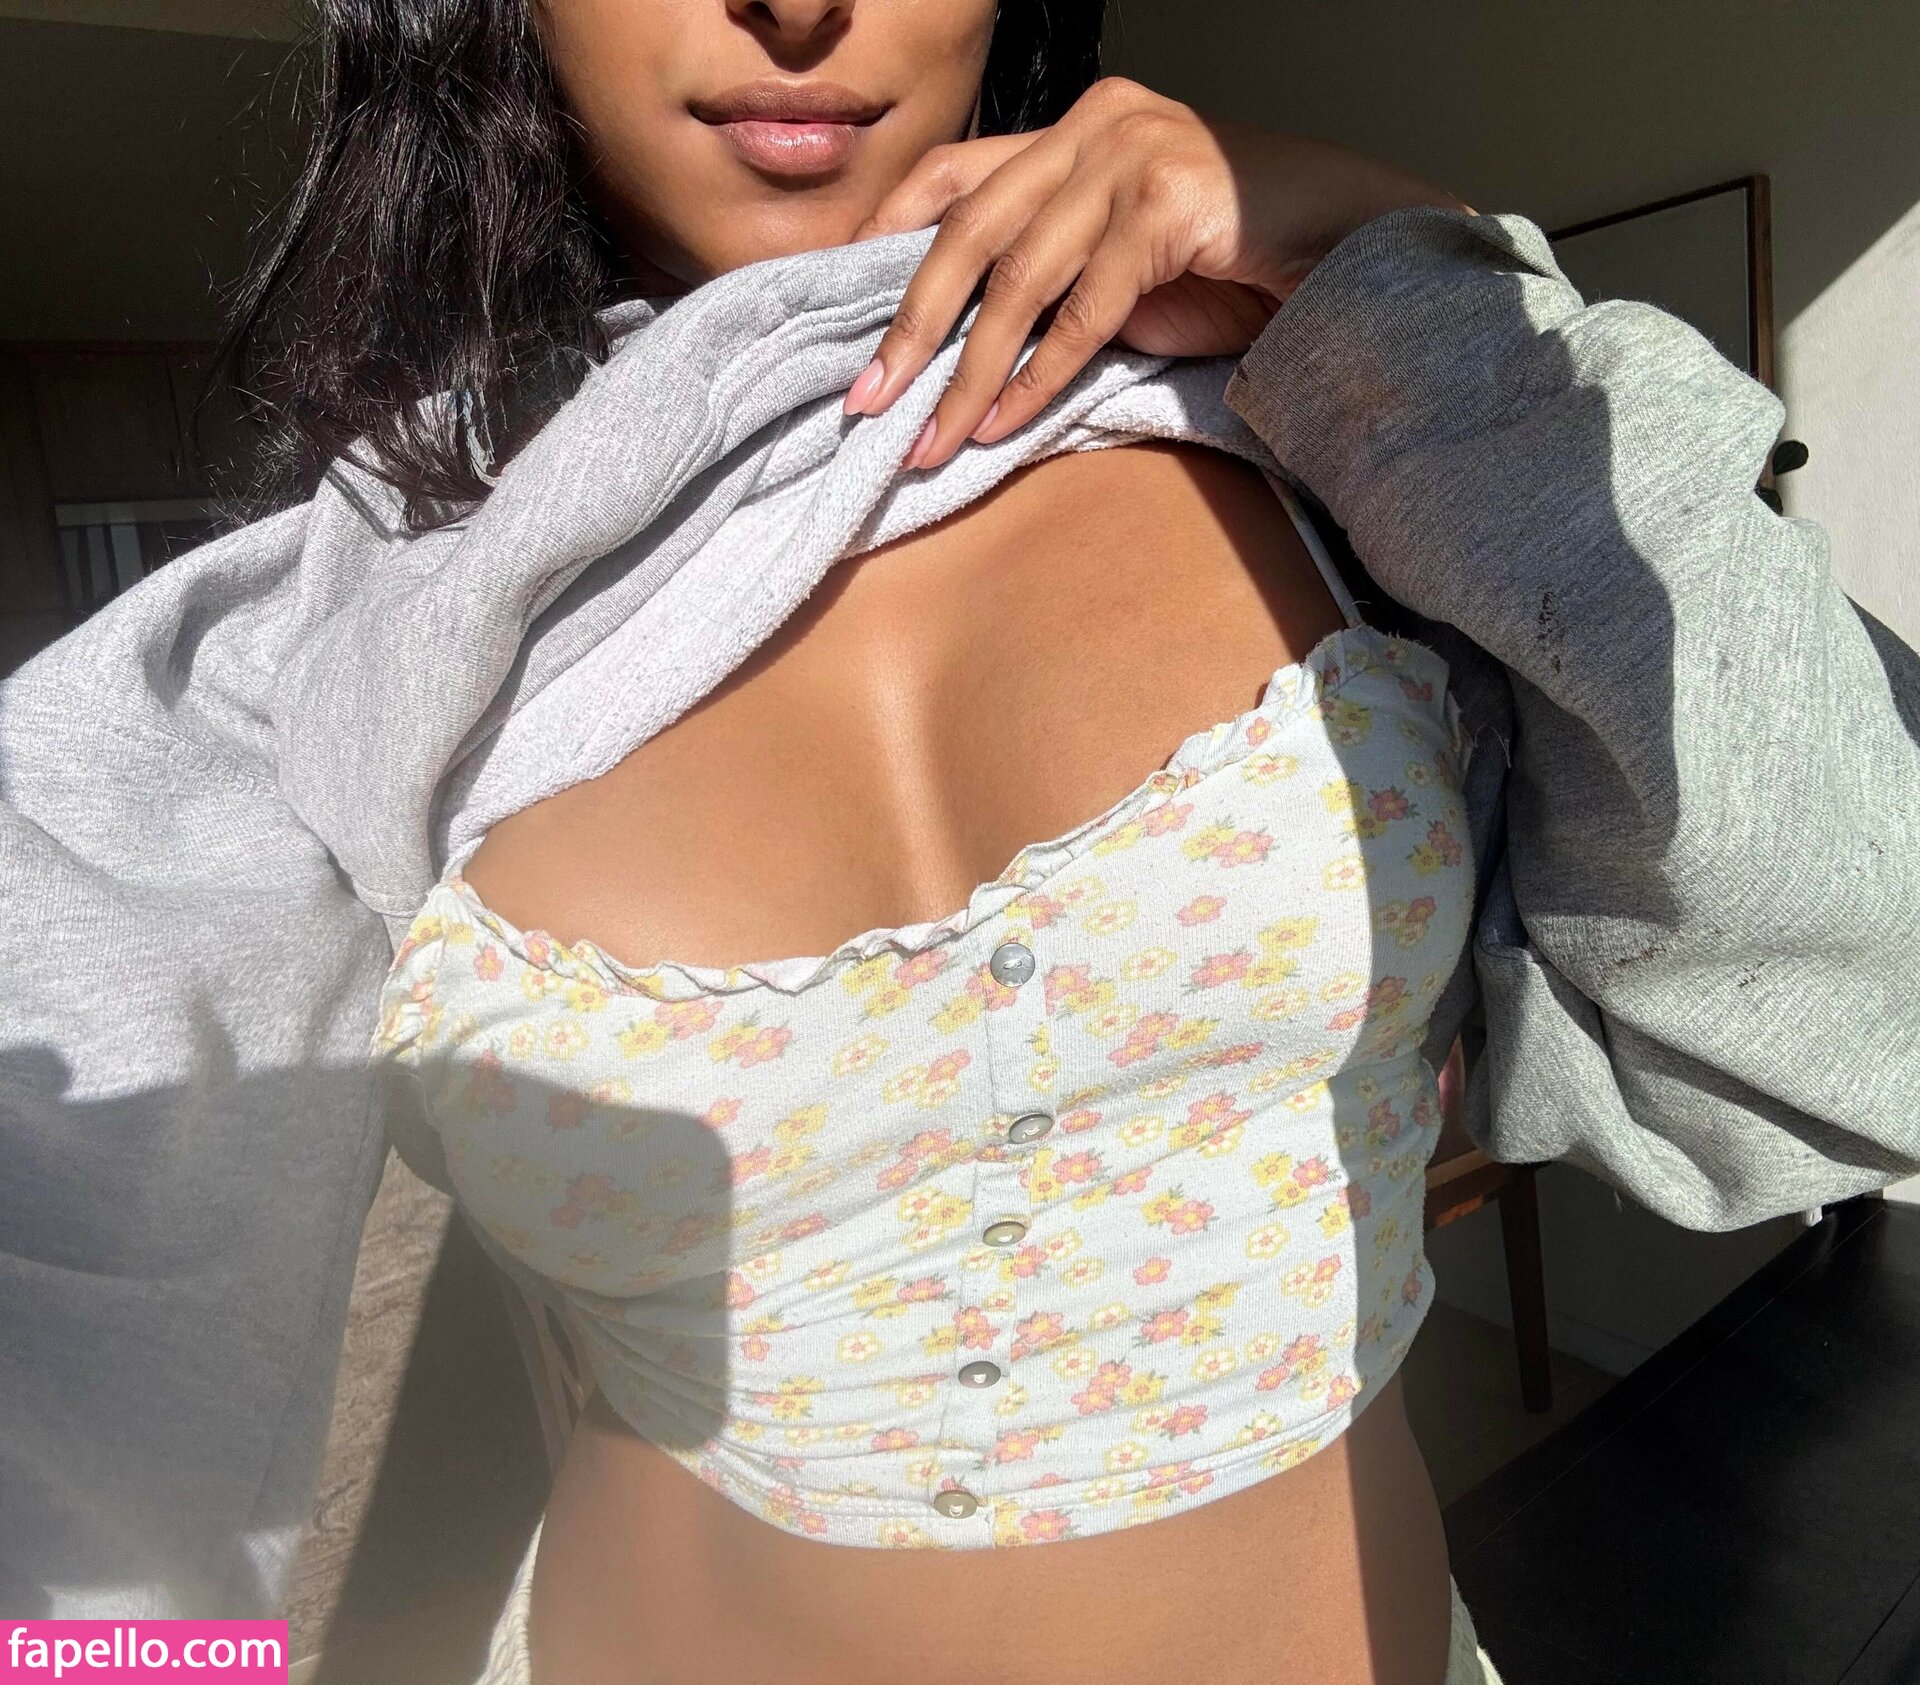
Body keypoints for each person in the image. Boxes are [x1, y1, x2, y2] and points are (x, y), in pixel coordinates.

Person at [3, 0, 1915, 1680]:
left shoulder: (1337, 416)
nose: (796, 0)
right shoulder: (317, 659)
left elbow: (1862, 975)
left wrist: (1387, 260)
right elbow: (83, 1455)